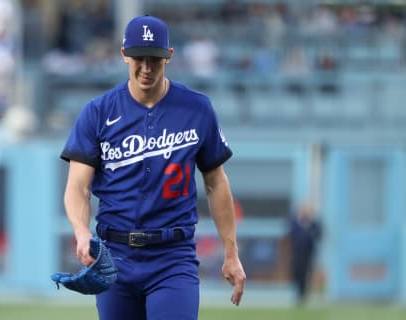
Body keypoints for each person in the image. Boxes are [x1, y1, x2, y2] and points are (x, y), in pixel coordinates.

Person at [60, 15, 246, 320]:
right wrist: (81, 232)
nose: (146, 67)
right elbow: (77, 187)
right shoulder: (98, 112)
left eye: (155, 59)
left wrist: (231, 252)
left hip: (172, 256)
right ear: (124, 55)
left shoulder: (197, 108)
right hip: (115, 254)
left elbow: (216, 182)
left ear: (169, 56)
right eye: (139, 58)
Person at [288, 203, 322, 305]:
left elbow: (319, 234)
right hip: (297, 252)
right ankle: (299, 291)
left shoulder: (313, 223)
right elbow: (291, 234)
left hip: (308, 252)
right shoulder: (295, 222)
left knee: (307, 272)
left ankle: (304, 294)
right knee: (297, 272)